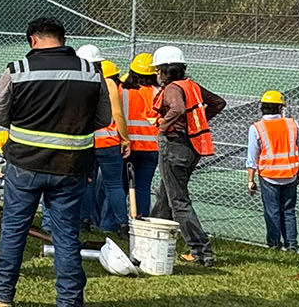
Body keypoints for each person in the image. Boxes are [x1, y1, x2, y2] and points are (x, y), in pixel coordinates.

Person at [0, 16, 113, 307]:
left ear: (33, 40)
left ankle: (1, 294)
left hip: (24, 164)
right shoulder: (91, 72)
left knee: (14, 228)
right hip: (71, 166)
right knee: (66, 234)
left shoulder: (18, 70)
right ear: (62, 38)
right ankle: (69, 306)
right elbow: (104, 119)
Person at [150, 45, 226, 267]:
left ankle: (201, 250)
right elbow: (218, 103)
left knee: (178, 200)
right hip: (192, 146)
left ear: (166, 70)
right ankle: (157, 237)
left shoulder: (173, 89)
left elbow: (178, 109)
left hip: (175, 145)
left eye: (157, 70)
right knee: (165, 194)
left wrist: (163, 127)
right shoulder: (191, 85)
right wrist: (196, 125)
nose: (156, 74)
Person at [246, 90, 299, 252]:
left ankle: (274, 245)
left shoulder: (256, 128)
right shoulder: (293, 124)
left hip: (269, 176)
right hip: (290, 174)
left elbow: (252, 157)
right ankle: (292, 245)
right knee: (288, 211)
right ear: (280, 108)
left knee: (272, 212)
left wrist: (250, 180)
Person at [88, 59, 133, 238]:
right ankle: (122, 225)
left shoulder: (78, 81)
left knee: (87, 183)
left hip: (86, 142)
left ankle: (85, 221)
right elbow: (117, 114)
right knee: (114, 185)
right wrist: (125, 139)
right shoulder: (108, 84)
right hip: (108, 142)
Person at [122, 53, 162, 216]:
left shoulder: (123, 90)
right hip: (151, 147)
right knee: (143, 188)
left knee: (121, 186)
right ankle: (141, 220)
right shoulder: (158, 92)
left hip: (126, 146)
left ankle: (112, 223)